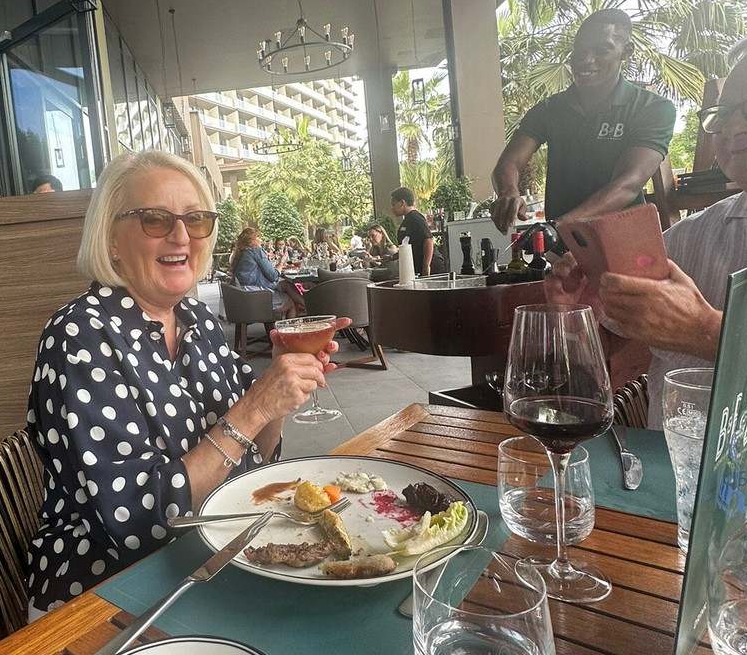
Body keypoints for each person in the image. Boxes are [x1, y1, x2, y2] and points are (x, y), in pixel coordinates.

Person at [24, 150, 347, 617]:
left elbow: (253, 459)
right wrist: (255, 406)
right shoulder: (79, 337)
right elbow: (138, 521)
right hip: (107, 591)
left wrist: (277, 398)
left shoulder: (197, 319)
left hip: (214, 556)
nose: (180, 236)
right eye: (155, 219)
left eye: (195, 219)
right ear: (111, 240)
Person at [546, 22, 747, 428]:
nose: (734, 127)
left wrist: (706, 333)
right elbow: (611, 352)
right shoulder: (685, 240)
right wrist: (577, 317)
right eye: (723, 113)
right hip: (667, 466)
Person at [490, 9, 676, 235]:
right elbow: (508, 163)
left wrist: (560, 226)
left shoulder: (652, 108)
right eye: (579, 51)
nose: (586, 60)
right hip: (565, 245)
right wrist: (508, 192)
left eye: (602, 50)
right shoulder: (549, 109)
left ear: (626, 51)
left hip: (626, 241)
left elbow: (628, 184)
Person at [230, 227, 305, 316]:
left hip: (245, 293)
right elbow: (273, 276)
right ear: (251, 241)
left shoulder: (241, 253)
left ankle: (308, 307)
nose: (261, 240)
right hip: (256, 294)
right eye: (258, 237)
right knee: (292, 302)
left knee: (287, 284)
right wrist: (281, 261)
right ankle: (309, 310)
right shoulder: (255, 251)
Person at [390, 187, 444, 276]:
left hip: (430, 264)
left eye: (394, 205)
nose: (392, 208)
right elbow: (409, 246)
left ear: (402, 203)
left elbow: (428, 240)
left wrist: (426, 266)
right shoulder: (407, 220)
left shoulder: (416, 218)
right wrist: (392, 257)